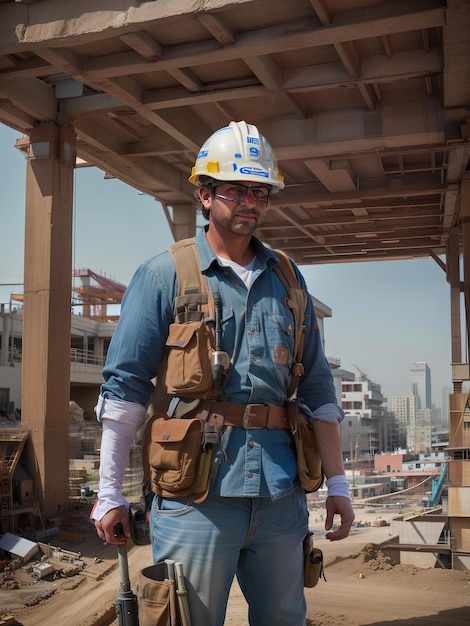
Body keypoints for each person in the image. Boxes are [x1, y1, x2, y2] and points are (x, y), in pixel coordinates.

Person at [92, 120, 354, 625]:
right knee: (187, 619)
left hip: (281, 497)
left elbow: (318, 388)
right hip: (196, 497)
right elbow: (124, 390)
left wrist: (339, 485)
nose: (250, 202)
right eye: (236, 189)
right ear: (205, 195)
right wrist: (107, 493)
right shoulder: (163, 275)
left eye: (260, 192)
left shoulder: (288, 279)